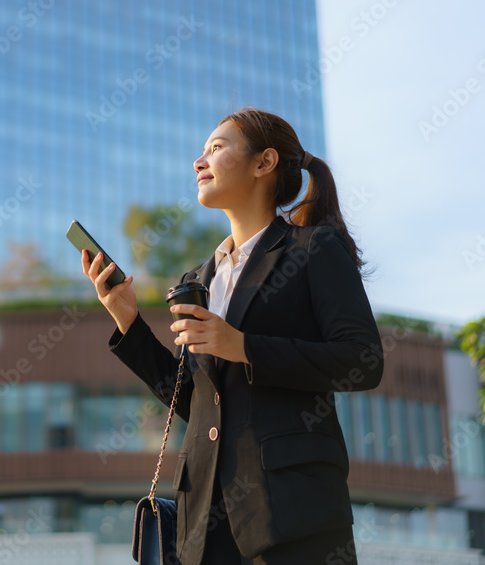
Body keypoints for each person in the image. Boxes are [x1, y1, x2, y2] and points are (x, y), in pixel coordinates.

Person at [80, 107, 383, 564]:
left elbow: (364, 360)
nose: (199, 162)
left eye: (216, 148)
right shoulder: (199, 278)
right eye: (201, 152)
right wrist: (128, 323)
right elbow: (195, 402)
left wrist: (242, 346)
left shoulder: (313, 250)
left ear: (264, 163)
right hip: (203, 527)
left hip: (292, 520)